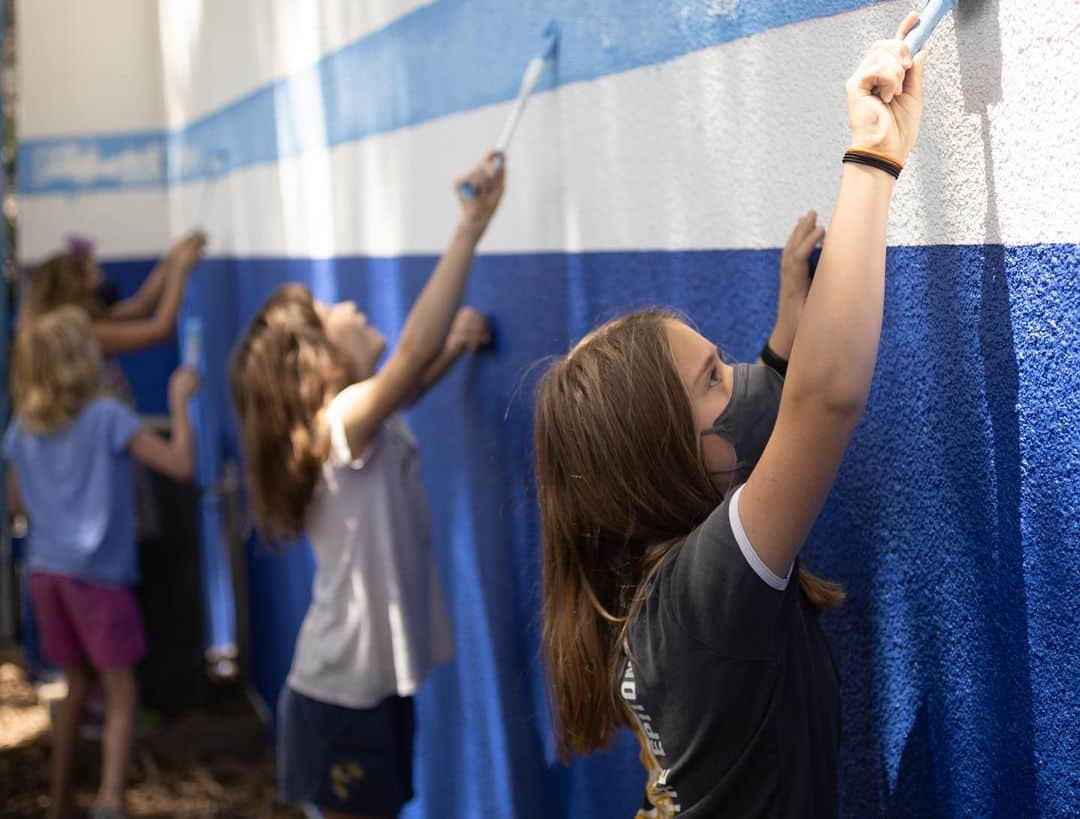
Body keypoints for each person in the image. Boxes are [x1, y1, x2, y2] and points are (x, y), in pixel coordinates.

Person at [534, 14, 927, 817]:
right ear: (662, 457)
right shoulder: (701, 592)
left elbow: (757, 414)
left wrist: (787, 336)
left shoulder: (645, 584)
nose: (743, 381)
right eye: (715, 376)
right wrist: (874, 159)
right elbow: (825, 400)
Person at [228, 152, 504, 819]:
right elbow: (406, 361)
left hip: (364, 688)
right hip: (340, 695)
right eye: (334, 311)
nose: (352, 305)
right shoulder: (341, 418)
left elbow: (407, 385)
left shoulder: (352, 427)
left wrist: (452, 351)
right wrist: (469, 226)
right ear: (319, 360)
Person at [4, 305, 199, 819]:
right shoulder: (108, 415)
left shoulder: (22, 426)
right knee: (120, 687)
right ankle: (111, 800)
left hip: (46, 573)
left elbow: (16, 503)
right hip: (98, 580)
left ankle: (60, 798)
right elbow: (179, 464)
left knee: (76, 683)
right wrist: (180, 400)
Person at [22, 231, 206, 356]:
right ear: (74, 289)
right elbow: (158, 331)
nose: (100, 277)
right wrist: (179, 271)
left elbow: (140, 305)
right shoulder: (84, 333)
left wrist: (171, 260)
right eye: (92, 274)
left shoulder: (87, 317)